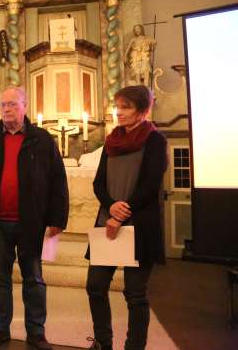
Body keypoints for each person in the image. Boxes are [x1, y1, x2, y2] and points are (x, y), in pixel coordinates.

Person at [0, 86, 69, 350]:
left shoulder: (42, 140)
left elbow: (58, 182)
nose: (7, 109)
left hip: (31, 222)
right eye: (3, 105)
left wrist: (58, 219)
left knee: (33, 278)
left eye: (12, 104)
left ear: (25, 106)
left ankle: (36, 331)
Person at [86, 85, 167, 350]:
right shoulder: (111, 140)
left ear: (143, 111)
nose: (118, 112)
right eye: (117, 106)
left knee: (134, 294)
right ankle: (102, 343)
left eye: (126, 107)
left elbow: (150, 184)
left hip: (140, 226)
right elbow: (98, 183)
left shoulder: (155, 140)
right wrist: (111, 208)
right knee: (95, 286)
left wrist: (122, 212)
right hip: (108, 221)